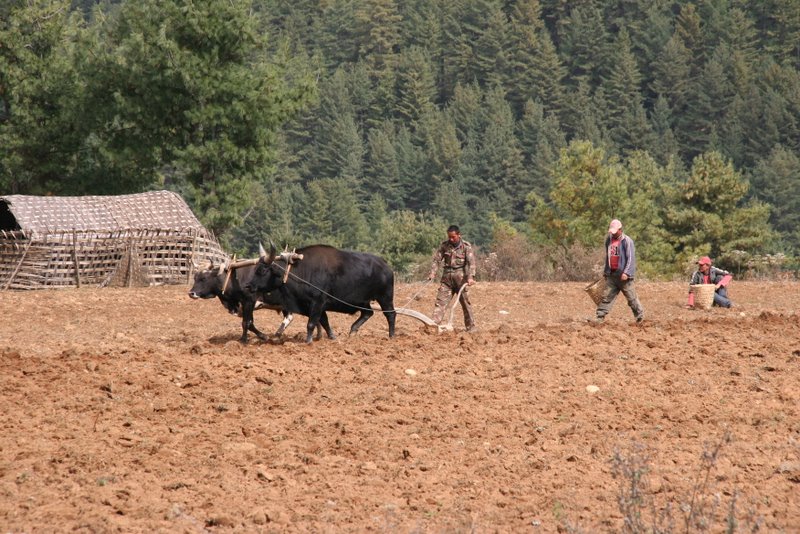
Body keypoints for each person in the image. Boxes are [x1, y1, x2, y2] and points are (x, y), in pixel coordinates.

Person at [594, 219, 644, 323]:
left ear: (620, 230)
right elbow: (608, 256)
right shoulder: (609, 240)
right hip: (612, 275)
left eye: (615, 231)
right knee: (606, 297)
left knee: (631, 298)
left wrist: (626, 272)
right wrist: (606, 271)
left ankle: (639, 317)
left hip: (624, 276)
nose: (613, 233)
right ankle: (600, 317)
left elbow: (631, 258)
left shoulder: (627, 241)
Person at [428, 225, 476, 331]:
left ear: (459, 235)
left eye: (453, 237)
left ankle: (471, 327)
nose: (451, 239)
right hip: (447, 280)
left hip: (461, 280)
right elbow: (436, 260)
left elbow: (470, 263)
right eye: (449, 237)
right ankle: (433, 326)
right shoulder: (444, 246)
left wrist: (470, 277)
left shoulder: (466, 246)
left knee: (465, 303)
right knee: (440, 303)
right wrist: (432, 273)